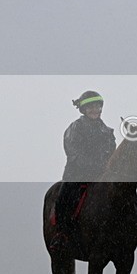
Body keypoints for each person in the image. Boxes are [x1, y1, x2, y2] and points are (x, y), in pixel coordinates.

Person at [49, 91, 116, 252]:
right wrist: (95, 166)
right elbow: (73, 153)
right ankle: (61, 233)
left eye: (97, 106)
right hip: (77, 175)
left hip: (102, 176)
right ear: (84, 109)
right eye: (91, 106)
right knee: (65, 196)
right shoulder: (75, 128)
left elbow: (111, 152)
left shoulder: (107, 131)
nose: (95, 109)